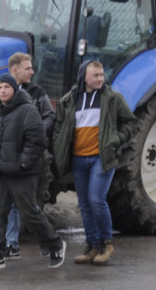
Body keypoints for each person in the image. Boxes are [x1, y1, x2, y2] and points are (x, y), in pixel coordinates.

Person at [0, 73, 66, 270]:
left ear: (14, 89)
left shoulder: (28, 111)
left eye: (6, 87)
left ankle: (55, 245)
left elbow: (38, 141)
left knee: (30, 213)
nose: (2, 91)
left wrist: (22, 164)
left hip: (22, 174)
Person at [52, 60, 137, 266]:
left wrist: (115, 140)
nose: (100, 79)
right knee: (84, 204)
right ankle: (92, 245)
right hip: (79, 159)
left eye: (101, 75)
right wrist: (59, 145)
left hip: (102, 158)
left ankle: (107, 243)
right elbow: (59, 127)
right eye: (95, 75)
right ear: (84, 78)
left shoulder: (113, 98)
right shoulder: (69, 100)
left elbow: (131, 123)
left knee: (96, 199)